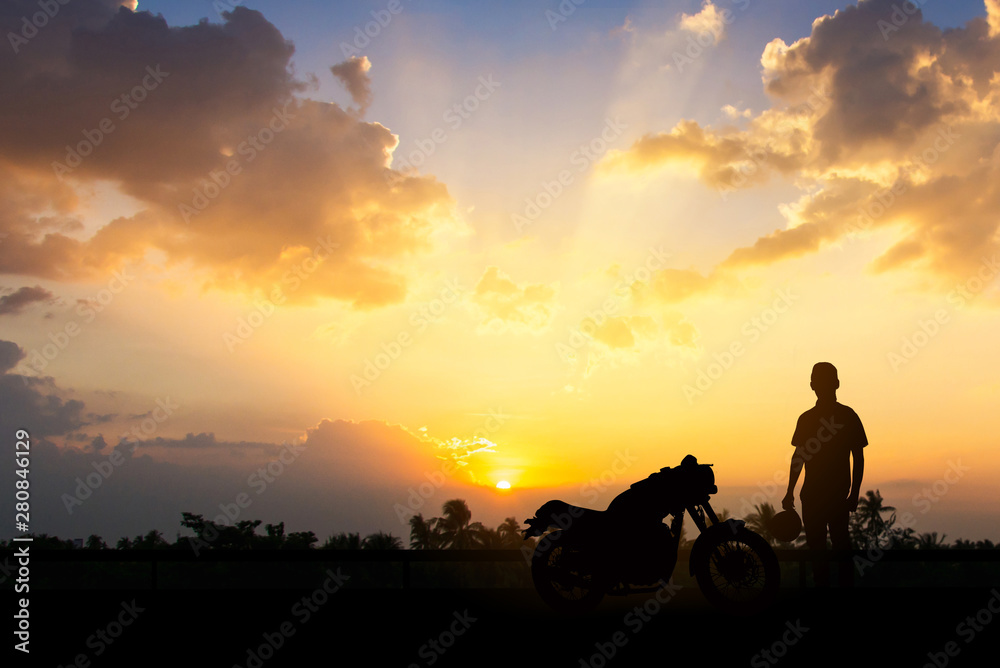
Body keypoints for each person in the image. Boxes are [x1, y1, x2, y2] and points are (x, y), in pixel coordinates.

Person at [781, 362, 867, 587]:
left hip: (831, 496)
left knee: (835, 548)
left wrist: (854, 493)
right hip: (817, 496)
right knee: (827, 549)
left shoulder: (845, 416)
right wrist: (789, 490)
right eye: (820, 381)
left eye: (824, 381)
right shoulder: (815, 418)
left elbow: (858, 457)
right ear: (812, 385)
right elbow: (798, 458)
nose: (822, 386)